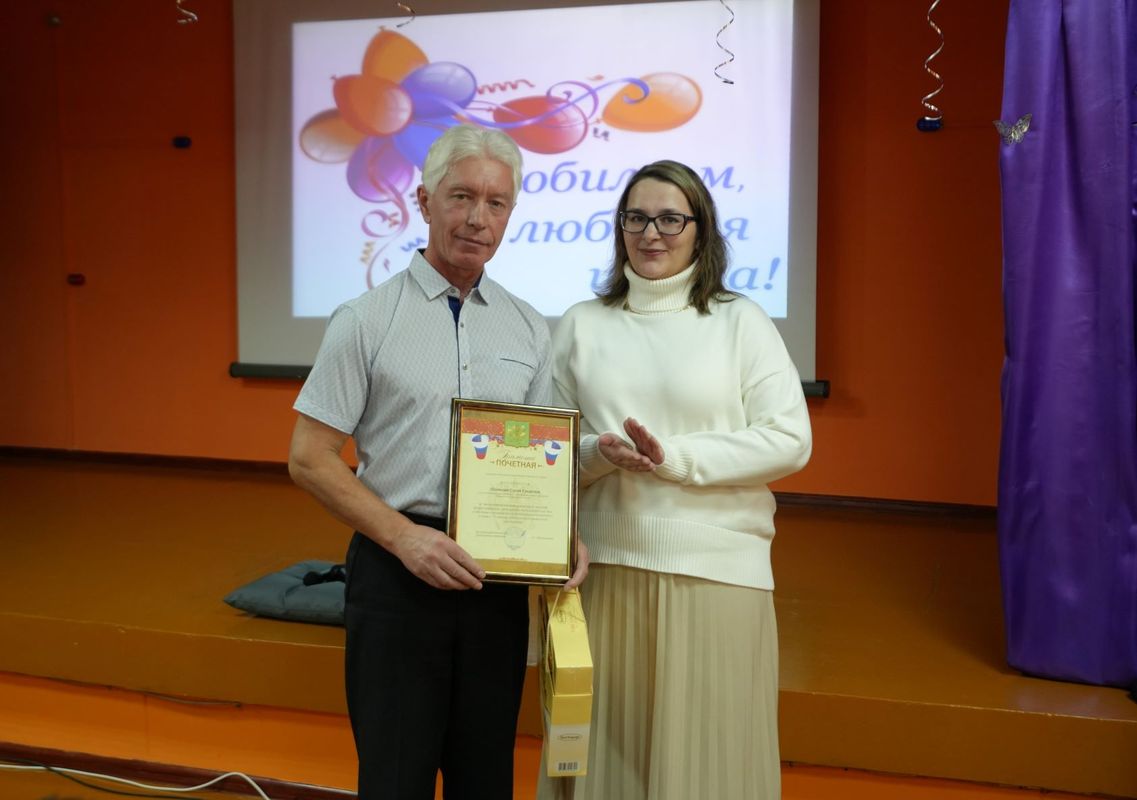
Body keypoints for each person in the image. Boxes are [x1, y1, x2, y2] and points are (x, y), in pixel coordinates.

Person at [288, 124, 587, 800]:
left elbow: (540, 454)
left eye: (496, 203)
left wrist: (560, 534)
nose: (478, 218)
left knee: (485, 778)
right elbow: (309, 459)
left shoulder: (527, 326)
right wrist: (405, 539)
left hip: (495, 582)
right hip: (396, 576)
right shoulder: (365, 320)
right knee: (395, 778)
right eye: (461, 197)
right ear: (424, 201)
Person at [538, 160, 811, 800]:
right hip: (605, 570)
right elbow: (550, 450)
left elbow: (789, 439)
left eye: (669, 219)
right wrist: (599, 452)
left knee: (708, 768)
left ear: (700, 230)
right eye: (636, 218)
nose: (651, 233)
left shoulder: (741, 320)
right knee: (606, 767)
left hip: (718, 572)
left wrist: (674, 459)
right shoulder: (581, 323)